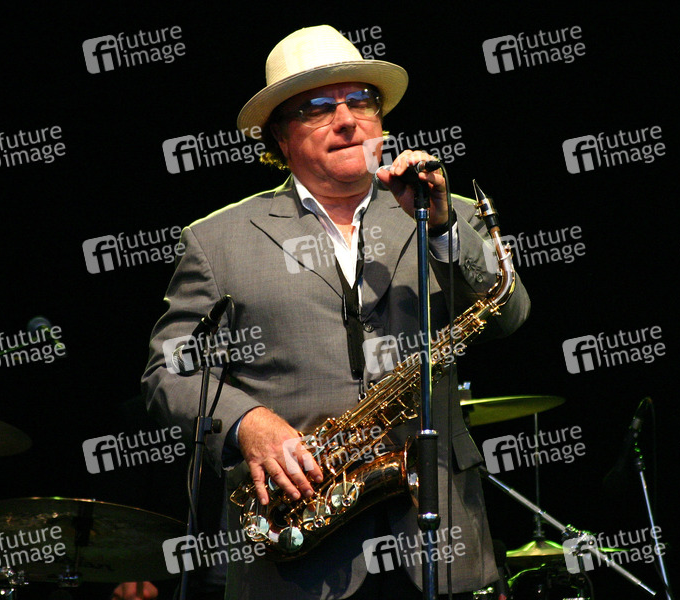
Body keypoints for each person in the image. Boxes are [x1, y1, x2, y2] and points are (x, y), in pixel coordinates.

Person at [142, 25, 530, 600]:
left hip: (437, 540)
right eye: (319, 108)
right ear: (280, 137)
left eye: (361, 101)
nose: (347, 120)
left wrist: (442, 229)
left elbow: (508, 315)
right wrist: (248, 424)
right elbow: (168, 373)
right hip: (295, 545)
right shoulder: (216, 240)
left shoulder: (447, 212)